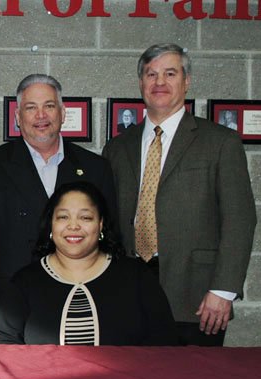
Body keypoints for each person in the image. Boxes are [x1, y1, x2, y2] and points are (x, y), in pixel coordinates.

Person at [103, 44, 256, 346]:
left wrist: (223, 290)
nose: (159, 83)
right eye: (151, 74)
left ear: (186, 82)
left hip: (197, 296)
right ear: (141, 83)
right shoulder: (118, 148)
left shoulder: (220, 142)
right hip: (128, 294)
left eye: (170, 73)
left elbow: (240, 219)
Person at [0, 74, 116, 319]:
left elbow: (109, 242)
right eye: (31, 108)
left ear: (63, 114)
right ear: (18, 118)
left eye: (49, 106)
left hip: (80, 300)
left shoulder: (96, 168)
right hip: (10, 304)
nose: (41, 116)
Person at [0, 182, 176, 345]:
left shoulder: (137, 277)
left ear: (101, 224)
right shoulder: (24, 282)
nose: (73, 226)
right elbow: (5, 343)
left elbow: (163, 341)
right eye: (63, 217)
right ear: (51, 225)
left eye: (85, 218)